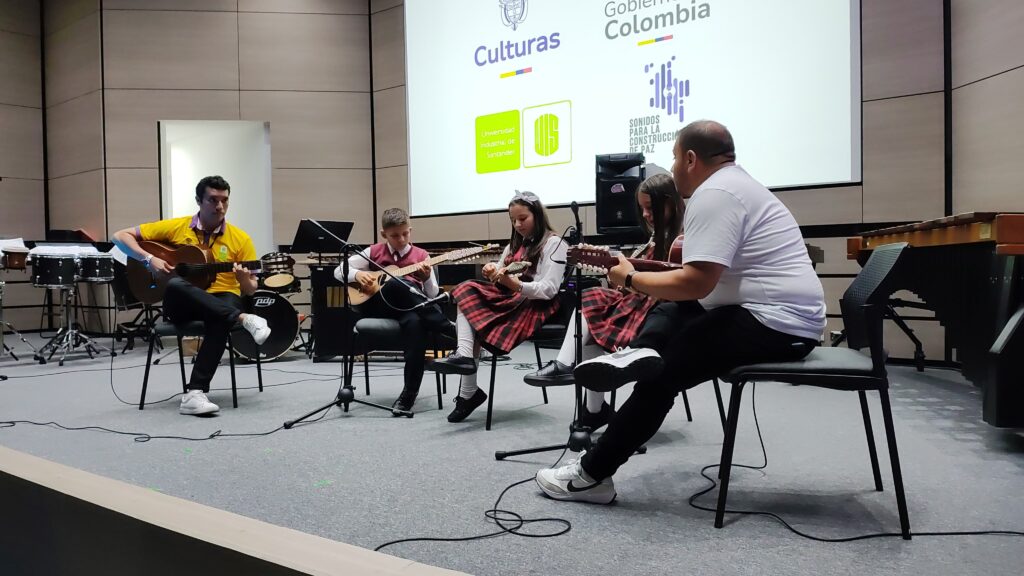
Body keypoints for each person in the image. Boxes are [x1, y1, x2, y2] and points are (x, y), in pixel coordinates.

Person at [535, 120, 826, 503]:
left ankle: (592, 476)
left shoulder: (715, 193)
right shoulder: (738, 186)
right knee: (673, 316)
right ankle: (639, 352)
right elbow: (698, 284)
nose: (672, 169)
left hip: (779, 324)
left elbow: (696, 282)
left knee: (663, 374)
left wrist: (629, 280)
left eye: (674, 158)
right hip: (773, 315)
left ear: (690, 158)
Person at [523, 171, 683, 431]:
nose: (644, 215)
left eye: (649, 208)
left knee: (593, 301)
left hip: (659, 313)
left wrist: (629, 280)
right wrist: (617, 275)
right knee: (590, 330)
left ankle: (567, 369)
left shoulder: (681, 239)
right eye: (641, 209)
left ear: (669, 203)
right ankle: (593, 408)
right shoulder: (656, 240)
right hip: (637, 304)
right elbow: (633, 279)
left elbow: (668, 282)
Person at [112, 175, 271, 416]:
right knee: (176, 284)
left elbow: (250, 289)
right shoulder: (176, 227)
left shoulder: (241, 239)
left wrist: (242, 279)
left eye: (224, 201)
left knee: (219, 318)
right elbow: (119, 236)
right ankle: (243, 318)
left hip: (222, 297)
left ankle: (195, 393)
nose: (219, 206)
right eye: (212, 200)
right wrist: (148, 259)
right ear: (199, 200)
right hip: (181, 302)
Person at [430, 191, 568, 423]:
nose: (517, 224)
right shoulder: (517, 244)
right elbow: (502, 268)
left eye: (522, 218)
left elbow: (549, 289)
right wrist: (492, 270)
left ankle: (467, 392)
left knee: (470, 310)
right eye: (513, 220)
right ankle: (465, 365)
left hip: (533, 305)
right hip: (509, 299)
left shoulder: (555, 243)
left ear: (537, 214)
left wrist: (515, 285)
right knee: (465, 291)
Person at [336, 207, 455, 415]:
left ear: (410, 230)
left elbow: (432, 294)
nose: (401, 239)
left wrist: (426, 278)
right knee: (396, 282)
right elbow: (339, 271)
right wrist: (356, 275)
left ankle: (408, 395)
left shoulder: (421, 255)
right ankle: (448, 328)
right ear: (384, 235)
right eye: (395, 235)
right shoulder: (373, 252)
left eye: (405, 234)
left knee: (417, 323)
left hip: (410, 310)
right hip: (378, 306)